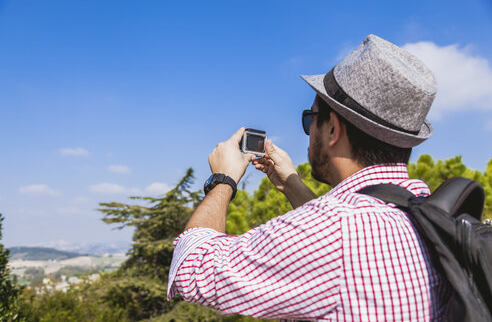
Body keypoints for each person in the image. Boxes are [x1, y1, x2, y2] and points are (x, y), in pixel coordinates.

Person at [167, 34, 449, 321]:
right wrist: (290, 183)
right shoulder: (430, 212)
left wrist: (223, 180)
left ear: (333, 130)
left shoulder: (335, 231)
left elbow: (193, 267)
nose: (310, 130)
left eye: (310, 118)